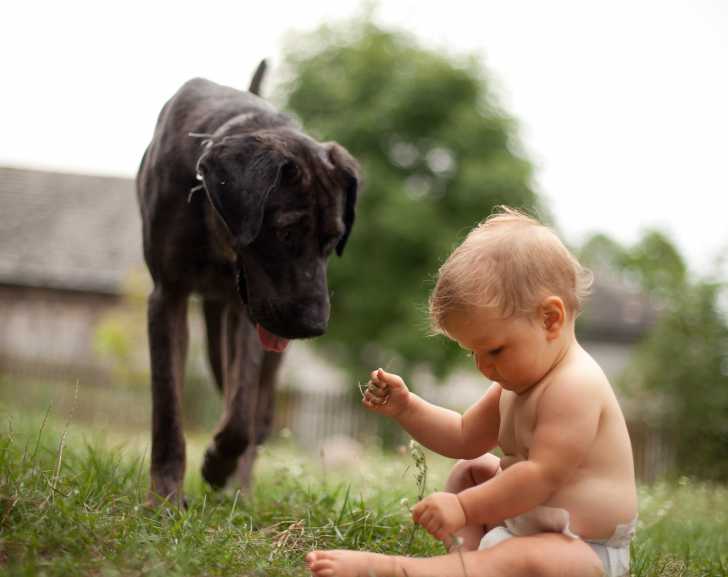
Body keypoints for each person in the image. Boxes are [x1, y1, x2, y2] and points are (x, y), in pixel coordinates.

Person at [305, 207, 638, 577]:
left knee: (533, 556)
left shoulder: (574, 386)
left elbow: (540, 476)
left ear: (550, 319)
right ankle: (467, 561)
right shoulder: (516, 385)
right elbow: (463, 435)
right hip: (523, 526)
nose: (482, 366)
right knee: (471, 470)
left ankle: (402, 570)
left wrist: (463, 509)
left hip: (582, 551)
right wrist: (407, 408)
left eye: (494, 350)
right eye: (473, 353)